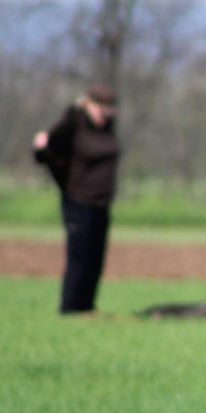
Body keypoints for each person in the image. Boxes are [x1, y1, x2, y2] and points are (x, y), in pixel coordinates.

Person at [32, 84, 121, 315]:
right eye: (100, 108)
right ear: (87, 105)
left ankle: (87, 307)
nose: (104, 113)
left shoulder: (106, 129)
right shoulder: (74, 123)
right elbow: (49, 146)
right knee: (79, 256)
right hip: (78, 201)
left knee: (95, 257)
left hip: (102, 202)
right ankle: (70, 307)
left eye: (109, 109)